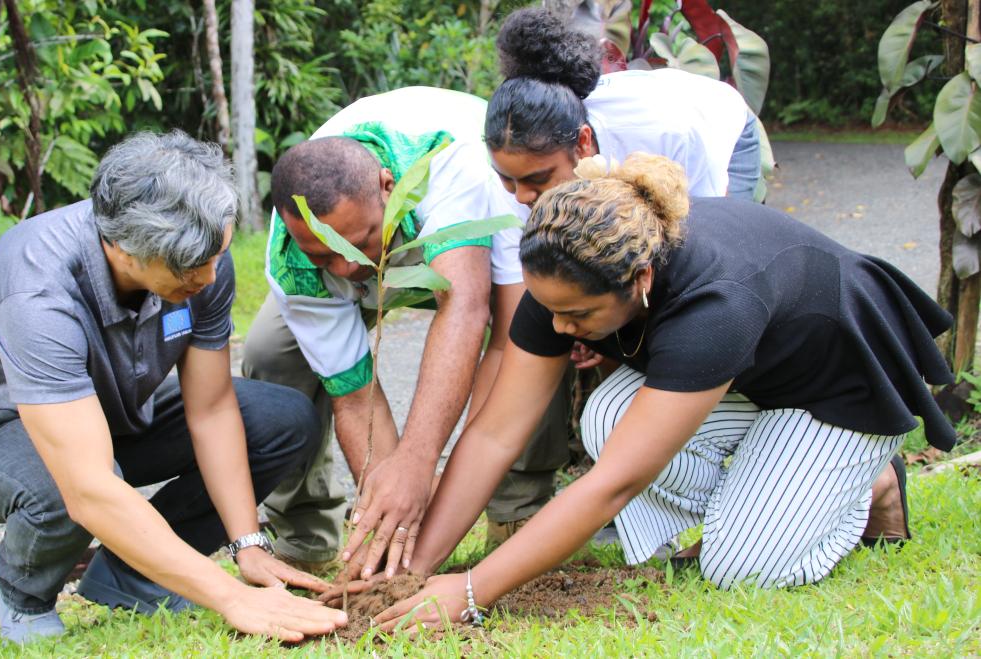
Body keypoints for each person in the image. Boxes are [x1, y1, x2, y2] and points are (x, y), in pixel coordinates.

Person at [374, 153, 953, 629]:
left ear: (643, 280)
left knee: (742, 566)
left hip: (844, 388)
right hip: (756, 376)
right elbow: (497, 433)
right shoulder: (567, 275)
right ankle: (783, 482)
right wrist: (420, 567)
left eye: (577, 314)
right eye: (547, 307)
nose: (557, 327)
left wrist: (472, 592)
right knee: (607, 417)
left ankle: (867, 486)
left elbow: (615, 484)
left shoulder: (715, 307)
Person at [0, 131, 347, 644]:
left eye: (216, 257)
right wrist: (233, 599)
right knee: (69, 486)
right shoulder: (38, 292)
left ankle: (133, 577)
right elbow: (89, 487)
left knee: (281, 418)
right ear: (121, 247)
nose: (209, 278)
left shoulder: (198, 253)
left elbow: (210, 410)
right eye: (191, 268)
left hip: (105, 414)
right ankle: (24, 596)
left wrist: (246, 543)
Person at [241, 86, 569, 580]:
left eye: (357, 244)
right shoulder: (292, 254)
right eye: (325, 255)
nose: (348, 267)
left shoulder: (450, 162)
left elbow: (468, 313)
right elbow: (354, 399)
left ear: (388, 186)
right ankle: (306, 537)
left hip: (473, 239)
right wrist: (388, 517)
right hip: (397, 245)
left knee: (535, 329)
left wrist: (420, 463)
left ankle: (516, 506)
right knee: (272, 352)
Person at [476, 6, 766, 544]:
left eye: (535, 182)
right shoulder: (527, 167)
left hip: (717, 144)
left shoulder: (666, 131)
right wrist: (577, 320)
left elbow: (698, 251)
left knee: (687, 314)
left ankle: (693, 469)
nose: (521, 197)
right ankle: (612, 492)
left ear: (583, 144)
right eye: (508, 181)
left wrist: (611, 327)